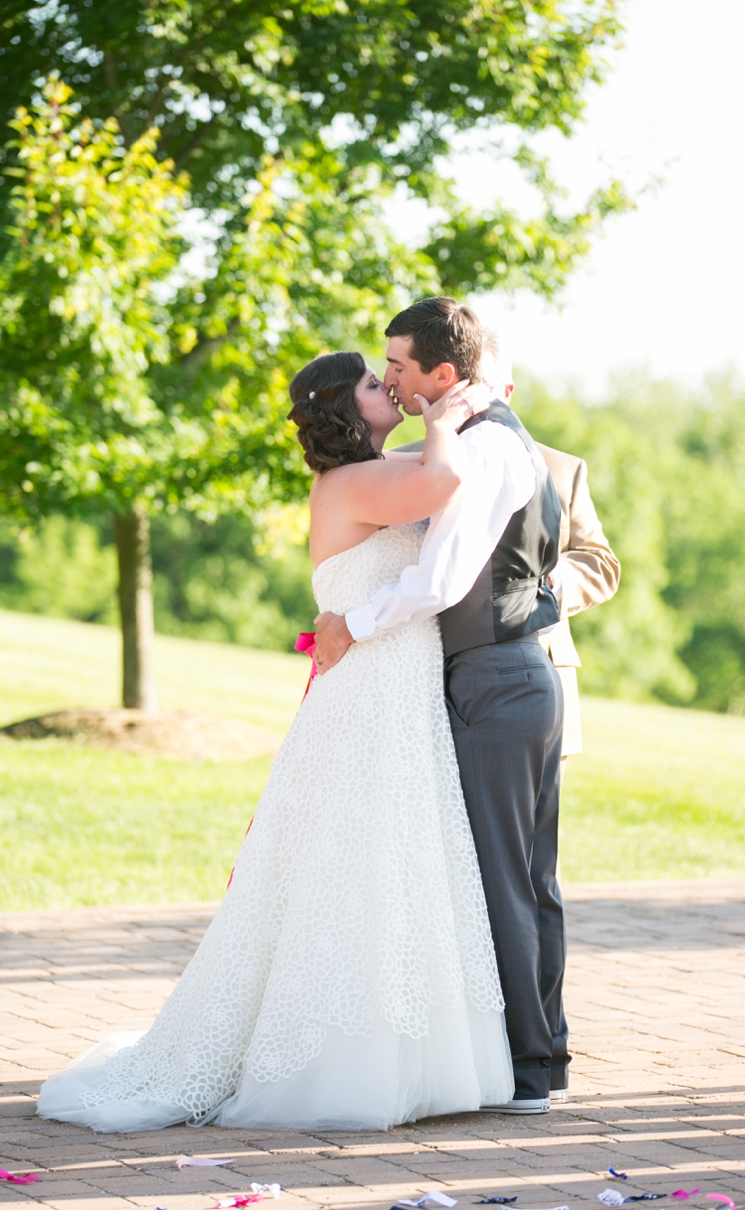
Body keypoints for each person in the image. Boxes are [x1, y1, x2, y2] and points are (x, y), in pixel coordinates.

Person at [37, 350, 514, 1133]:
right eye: (372, 382)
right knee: (359, 862)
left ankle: (398, 1051)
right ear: (346, 410)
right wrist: (455, 411)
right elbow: (442, 484)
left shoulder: (367, 472)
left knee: (387, 860)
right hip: (371, 694)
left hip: (390, 690)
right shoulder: (360, 482)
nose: (388, 386)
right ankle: (341, 1061)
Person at [314, 297, 568, 1113]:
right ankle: (543, 1057)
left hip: (496, 678)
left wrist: (348, 624)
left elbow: (441, 580)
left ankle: (529, 1069)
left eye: (398, 367)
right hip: (513, 675)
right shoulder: (488, 439)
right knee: (529, 877)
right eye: (379, 373)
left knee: (505, 878)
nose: (391, 378)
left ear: (443, 375)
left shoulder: (481, 450)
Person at [478, 329, 621, 772]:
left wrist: (552, 581)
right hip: (448, 674)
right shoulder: (413, 461)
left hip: (541, 668)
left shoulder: (562, 470)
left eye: (485, 386)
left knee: (535, 836)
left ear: (507, 391)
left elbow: (601, 563)